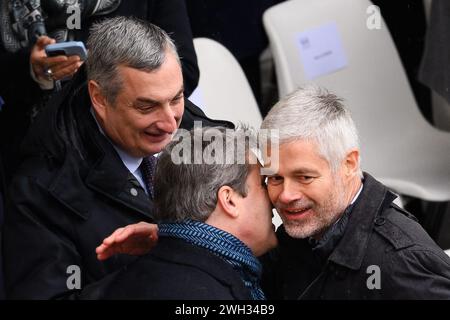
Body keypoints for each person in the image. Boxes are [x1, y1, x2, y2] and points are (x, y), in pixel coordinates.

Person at [98, 86, 450, 299]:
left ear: (348, 164)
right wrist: (173, 240)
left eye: (304, 176)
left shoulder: (400, 264)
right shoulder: (301, 234)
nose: (284, 196)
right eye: (275, 178)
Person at [2, 16, 230, 300]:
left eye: (176, 98)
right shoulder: (41, 192)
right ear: (99, 97)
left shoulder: (206, 138)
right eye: (147, 106)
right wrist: (161, 265)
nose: (169, 123)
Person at [0, 0, 199, 181]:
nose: (168, 121)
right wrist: (32, 70)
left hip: (126, 155)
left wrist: (120, 77)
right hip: (35, 155)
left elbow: (185, 70)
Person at [84, 126, 277, 299]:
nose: (274, 199)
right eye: (262, 184)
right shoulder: (203, 292)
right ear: (229, 200)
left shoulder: (140, 275)